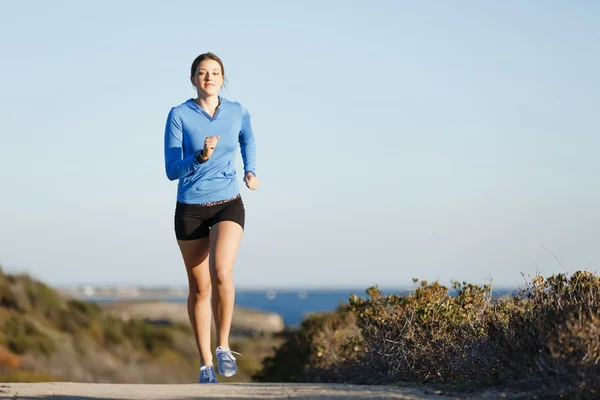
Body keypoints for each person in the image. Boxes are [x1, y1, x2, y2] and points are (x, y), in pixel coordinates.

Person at [163, 52, 260, 384]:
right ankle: (206, 364)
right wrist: (200, 157)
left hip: (227, 203)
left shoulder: (236, 111)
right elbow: (171, 170)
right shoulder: (178, 115)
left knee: (221, 271)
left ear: (222, 78)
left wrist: (250, 170)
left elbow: (248, 138)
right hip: (190, 209)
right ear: (193, 79)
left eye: (215, 72)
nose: (209, 77)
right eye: (202, 73)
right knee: (200, 288)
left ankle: (223, 346)